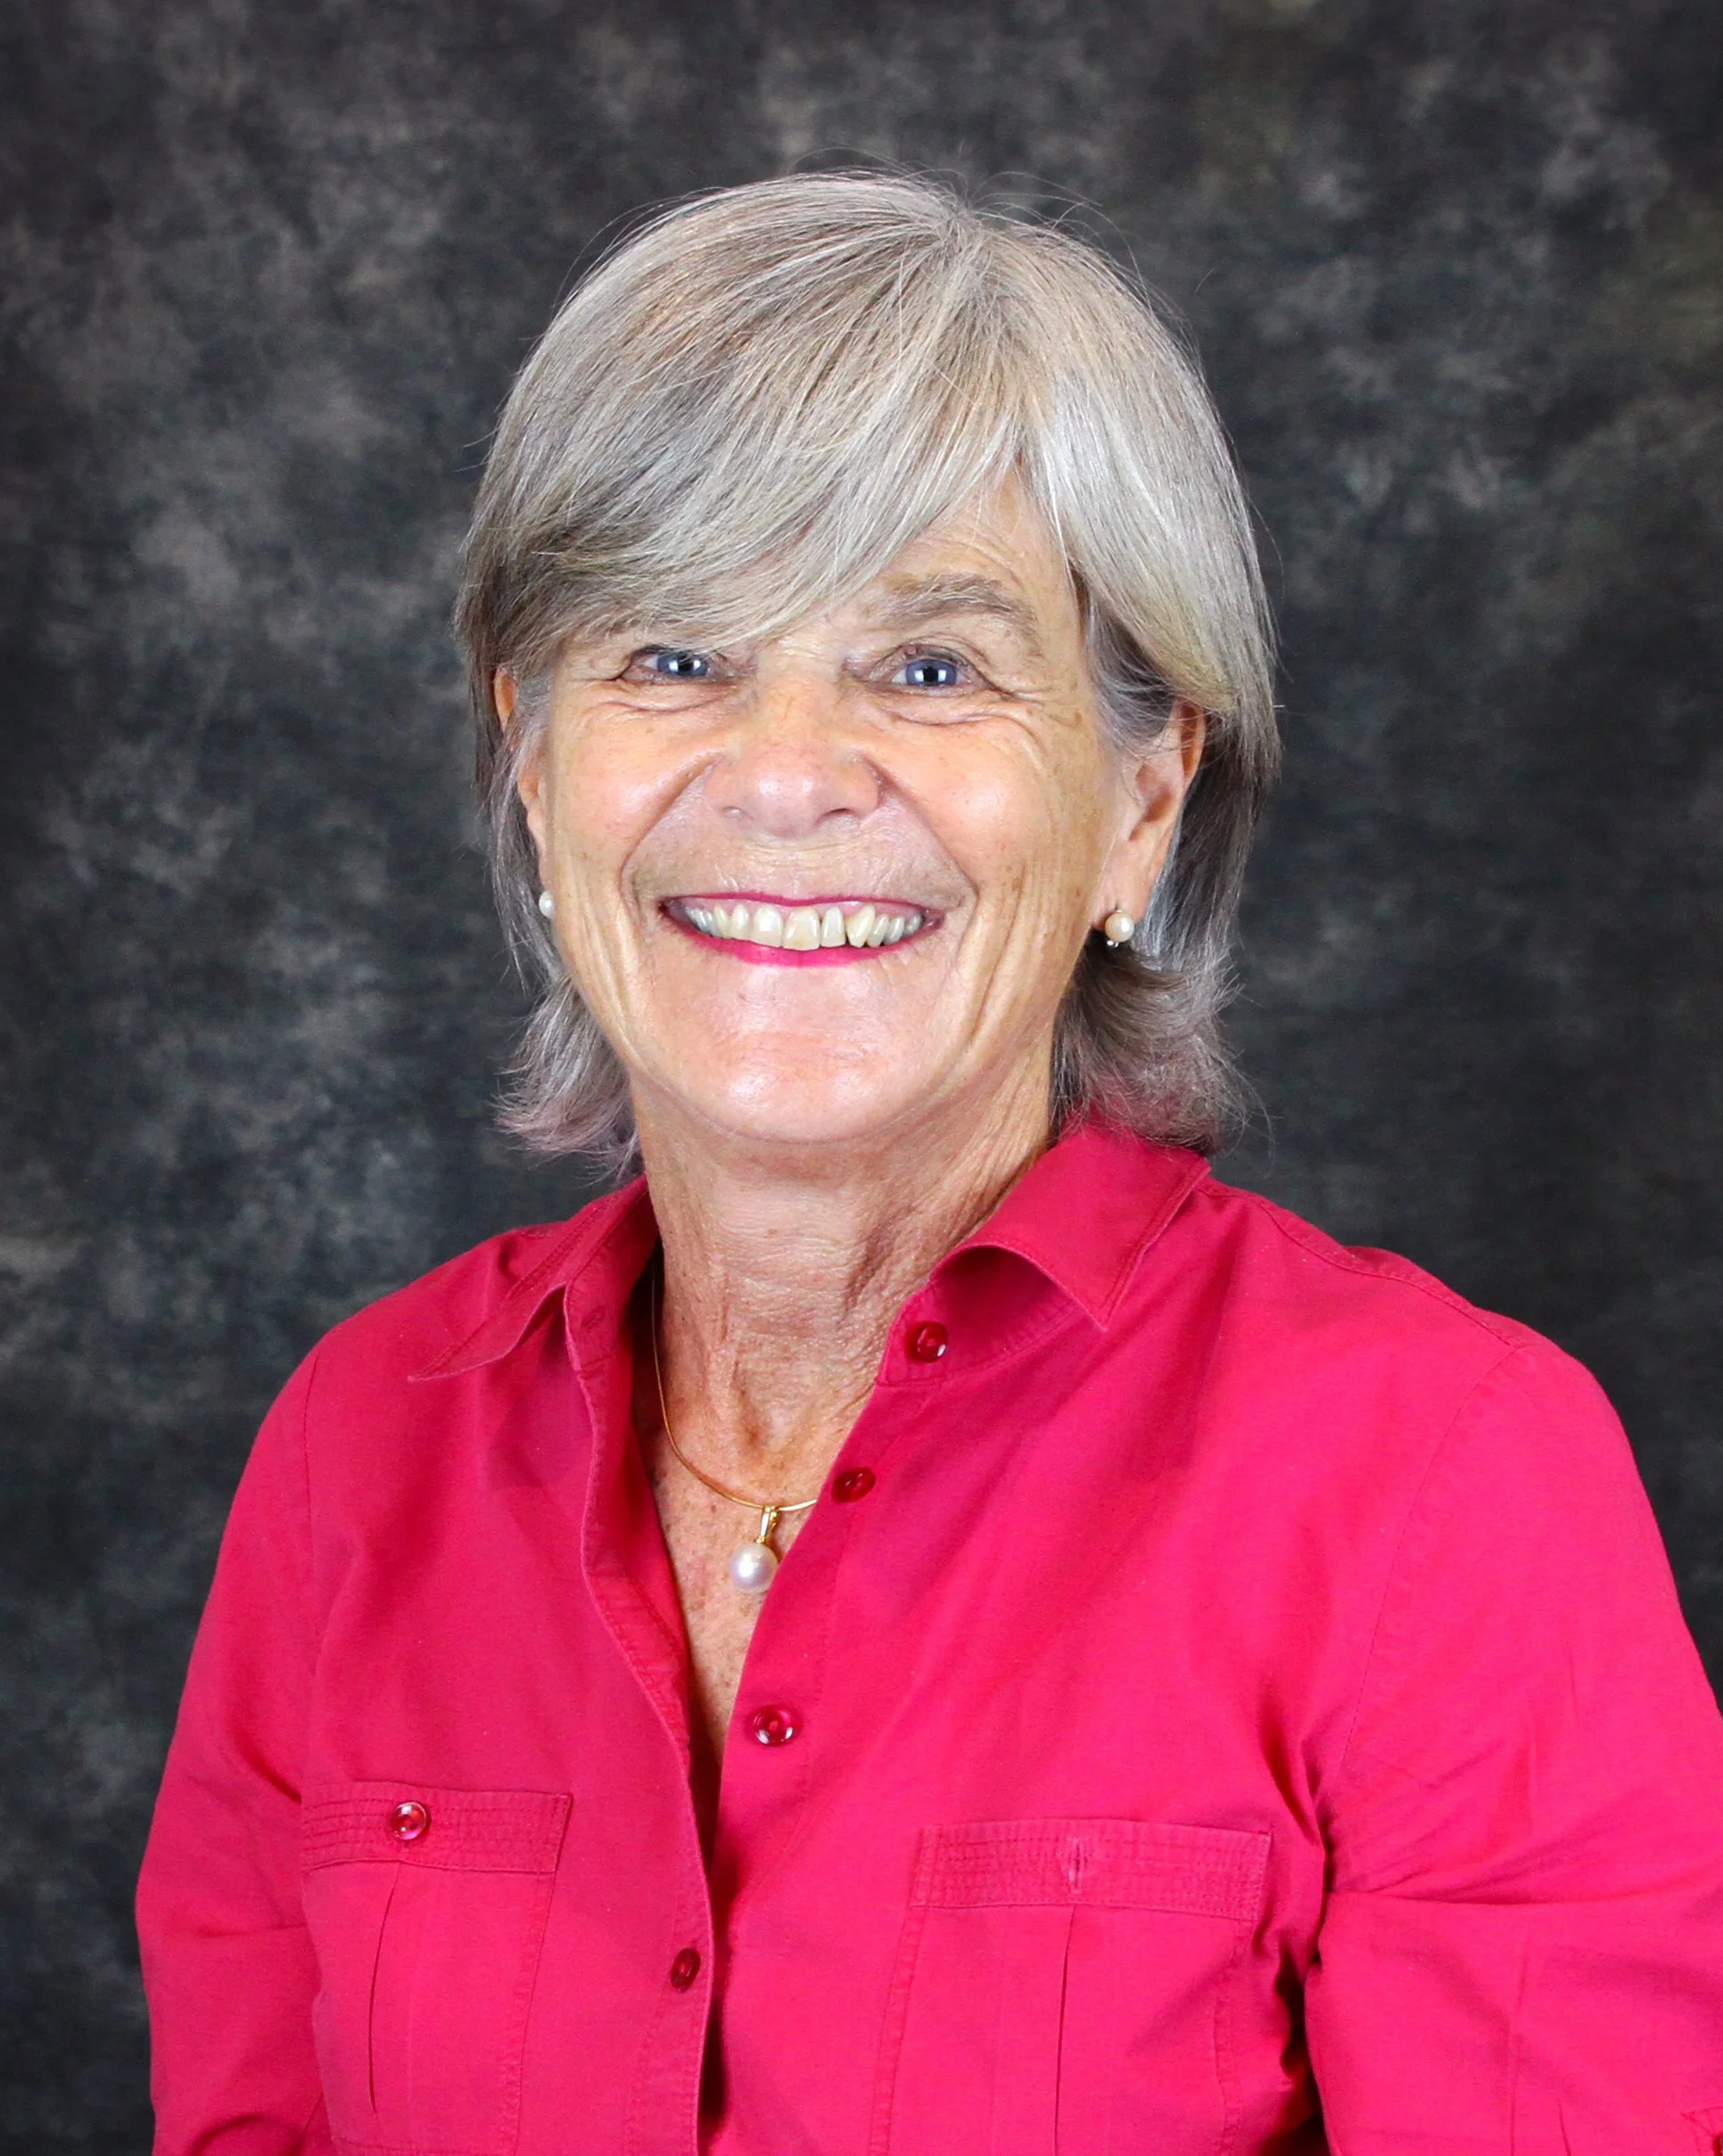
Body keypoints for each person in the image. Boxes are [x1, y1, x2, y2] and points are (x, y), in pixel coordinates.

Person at [137, 172, 1723, 2153]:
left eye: (933, 667)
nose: (788, 772)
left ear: (1141, 800)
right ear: (534, 765)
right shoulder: (359, 1450)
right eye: (677, 655)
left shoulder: (1443, 1483)